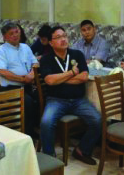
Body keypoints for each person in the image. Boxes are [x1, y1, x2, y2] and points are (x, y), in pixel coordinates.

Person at [39, 26, 101, 165]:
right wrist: (72, 73)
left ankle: (82, 150)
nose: (63, 40)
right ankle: (49, 158)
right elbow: (49, 80)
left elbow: (84, 77)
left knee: (97, 121)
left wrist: (60, 79)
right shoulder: (46, 59)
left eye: (64, 36)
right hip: (56, 100)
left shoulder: (77, 54)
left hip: (79, 100)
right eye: (58, 37)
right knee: (46, 122)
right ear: (50, 42)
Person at [0, 23, 38, 138]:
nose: (15, 35)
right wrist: (23, 79)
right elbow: (2, 72)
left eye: (17, 32)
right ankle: (26, 136)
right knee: (27, 102)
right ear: (5, 37)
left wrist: (32, 74)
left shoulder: (25, 47)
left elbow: (36, 63)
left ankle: (35, 129)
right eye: (11, 33)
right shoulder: (0, 51)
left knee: (44, 97)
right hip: (11, 88)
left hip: (28, 85)